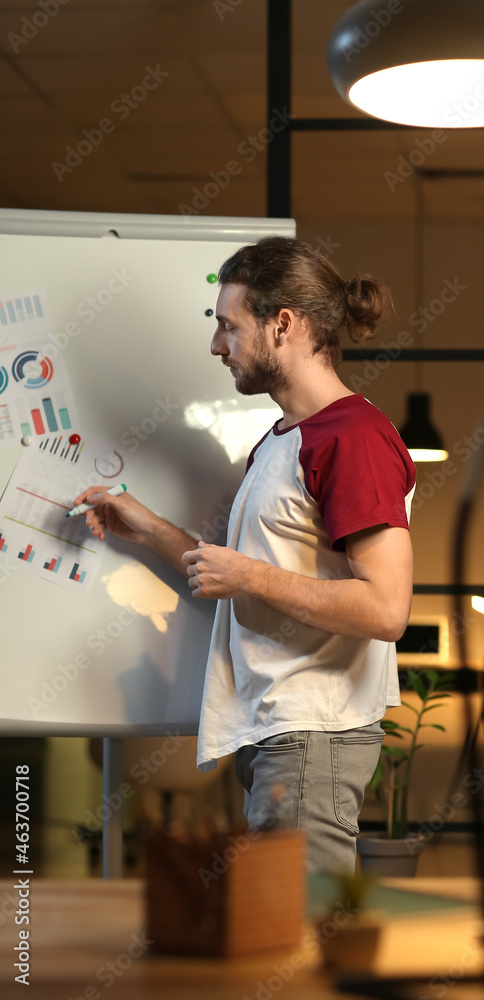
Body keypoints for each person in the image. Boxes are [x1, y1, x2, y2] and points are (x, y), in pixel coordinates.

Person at [75, 235, 417, 874]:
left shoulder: (354, 438)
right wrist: (146, 527)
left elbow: (386, 608)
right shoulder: (285, 438)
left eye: (228, 326)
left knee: (301, 941)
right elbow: (237, 574)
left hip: (313, 732)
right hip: (276, 730)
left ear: (282, 325)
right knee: (283, 937)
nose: (216, 345)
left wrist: (250, 574)